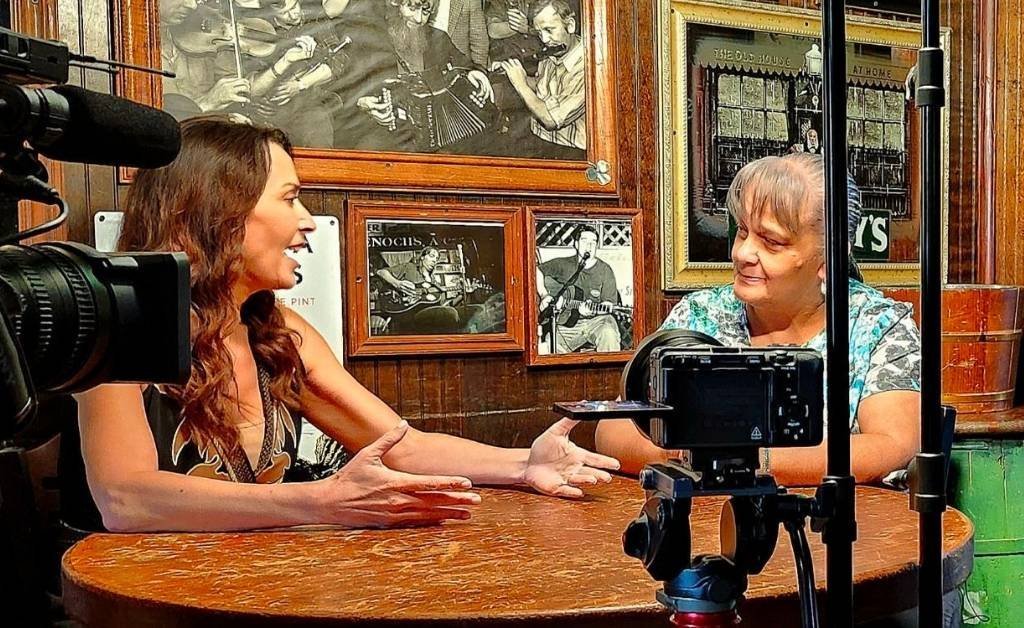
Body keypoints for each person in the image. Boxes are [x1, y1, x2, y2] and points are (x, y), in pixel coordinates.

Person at [74, 117, 619, 533]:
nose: (308, 218)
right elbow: (125, 499)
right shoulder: (119, 325)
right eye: (289, 198)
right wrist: (322, 501)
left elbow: (399, 446)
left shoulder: (279, 331)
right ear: (218, 212)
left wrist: (524, 464)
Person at [594, 153, 920, 486]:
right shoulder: (701, 316)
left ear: (829, 259)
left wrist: (741, 457)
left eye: (771, 242)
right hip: (707, 528)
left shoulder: (878, 326)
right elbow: (615, 429)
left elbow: (890, 446)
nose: (742, 254)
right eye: (742, 232)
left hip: (834, 531)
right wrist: (685, 455)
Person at [491, 0, 585, 160]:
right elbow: (539, 84)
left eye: (549, 30)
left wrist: (521, 85)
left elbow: (551, 120)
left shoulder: (587, 66)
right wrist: (511, 72)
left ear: (570, 25)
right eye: (540, 33)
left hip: (569, 150)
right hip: (539, 137)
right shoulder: (554, 52)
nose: (545, 40)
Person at [536, 224, 622, 353]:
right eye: (584, 241)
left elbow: (608, 303)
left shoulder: (605, 270)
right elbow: (537, 270)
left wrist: (593, 311)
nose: (589, 246)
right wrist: (544, 295)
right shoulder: (564, 264)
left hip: (597, 321)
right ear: (576, 244)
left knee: (609, 334)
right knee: (548, 346)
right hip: (568, 325)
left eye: (593, 242)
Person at [374, 246, 485, 333]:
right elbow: (381, 272)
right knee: (448, 314)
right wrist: (397, 283)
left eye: (436, 259)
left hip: (428, 312)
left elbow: (445, 306)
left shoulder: (435, 282)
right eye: (432, 256)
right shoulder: (409, 267)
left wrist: (462, 293)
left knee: (477, 309)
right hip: (407, 311)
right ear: (422, 257)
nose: (434, 260)